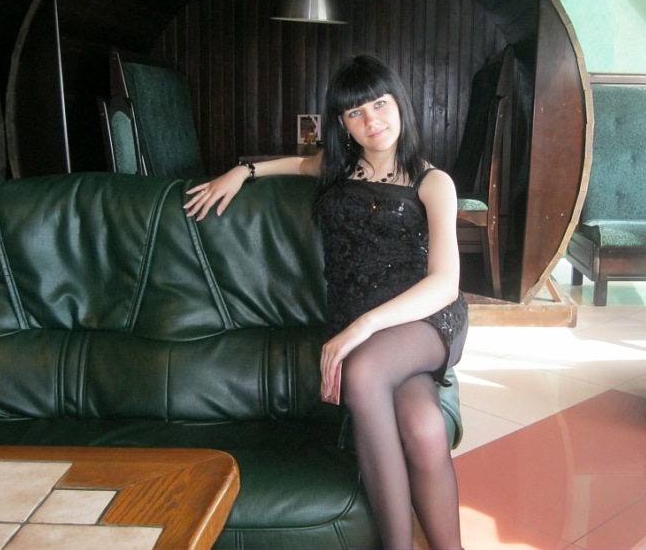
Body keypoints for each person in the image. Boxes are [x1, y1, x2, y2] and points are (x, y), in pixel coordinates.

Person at [184, 54, 468, 550]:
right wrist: (242, 171)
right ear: (342, 123)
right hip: (361, 322)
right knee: (424, 428)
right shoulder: (337, 169)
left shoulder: (433, 182)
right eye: (355, 112)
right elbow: (294, 163)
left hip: (421, 318)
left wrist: (361, 328)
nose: (372, 120)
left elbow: (444, 284)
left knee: (364, 372)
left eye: (380, 104)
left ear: (400, 103)